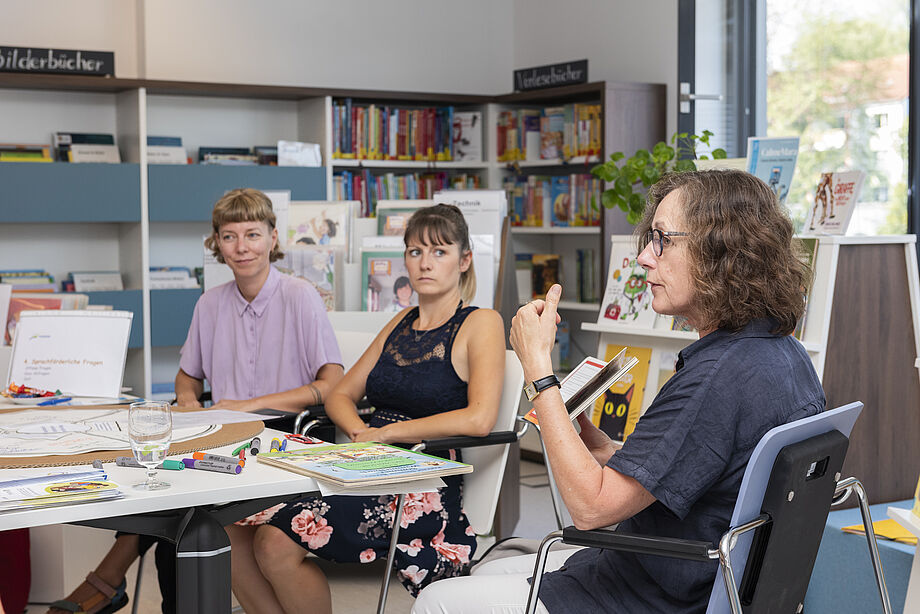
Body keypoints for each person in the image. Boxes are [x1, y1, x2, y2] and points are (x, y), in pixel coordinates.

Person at [413, 169, 826, 614]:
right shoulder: (784, 353)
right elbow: (697, 467)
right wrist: (602, 446)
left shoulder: (714, 378)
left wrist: (538, 371)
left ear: (720, 252)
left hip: (653, 592)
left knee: (438, 599)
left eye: (663, 239)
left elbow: (590, 510)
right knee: (486, 572)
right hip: (698, 576)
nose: (645, 257)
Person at [49, 188, 344, 614]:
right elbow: (188, 375)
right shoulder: (210, 303)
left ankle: (108, 580)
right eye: (229, 237)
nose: (241, 247)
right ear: (216, 244)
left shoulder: (301, 297)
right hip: (223, 438)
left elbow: (332, 384)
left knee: (181, 507)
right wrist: (187, 400)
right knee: (167, 494)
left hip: (283, 441)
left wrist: (249, 403)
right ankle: (123, 585)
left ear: (273, 238)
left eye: (252, 234)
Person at [226, 203, 505, 614]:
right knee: (231, 521)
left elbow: (479, 418)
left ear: (465, 260)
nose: (425, 263)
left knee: (274, 542)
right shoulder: (401, 323)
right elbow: (339, 395)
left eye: (439, 252)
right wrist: (360, 433)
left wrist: (387, 434)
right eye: (415, 252)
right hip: (367, 459)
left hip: (422, 479)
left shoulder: (481, 322)